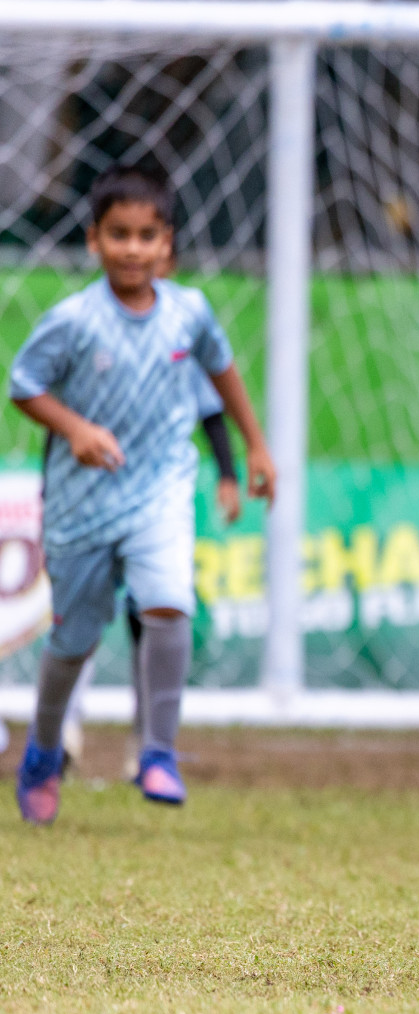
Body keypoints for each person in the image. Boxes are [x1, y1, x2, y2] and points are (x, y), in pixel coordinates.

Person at [9, 163, 274, 824]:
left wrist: (255, 447)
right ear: (95, 240)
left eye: (146, 235)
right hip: (82, 502)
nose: (133, 248)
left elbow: (223, 371)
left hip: (161, 487)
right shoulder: (73, 320)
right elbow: (23, 384)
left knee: (169, 604)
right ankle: (43, 750)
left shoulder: (190, 312)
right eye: (119, 234)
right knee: (73, 644)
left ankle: (158, 751)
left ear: (167, 244)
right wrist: (75, 428)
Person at [61, 247, 243, 781]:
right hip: (93, 498)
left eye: (154, 251)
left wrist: (229, 473)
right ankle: (64, 732)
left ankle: (148, 746)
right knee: (80, 620)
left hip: (156, 505)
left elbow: (213, 413)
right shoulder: (86, 327)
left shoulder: (181, 340)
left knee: (155, 617)